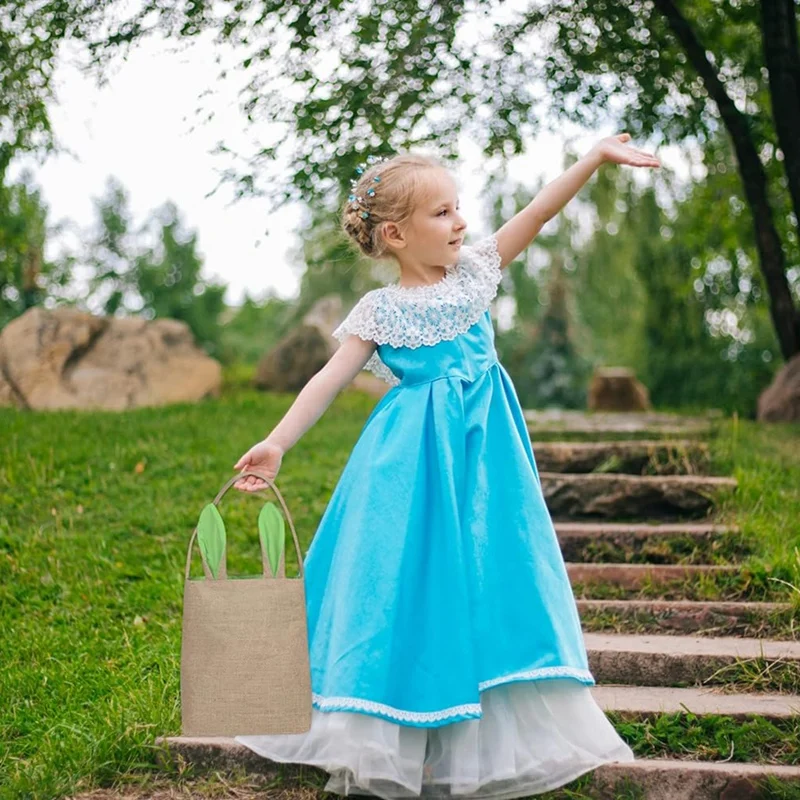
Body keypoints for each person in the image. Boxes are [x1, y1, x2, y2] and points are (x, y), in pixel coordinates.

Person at [231, 137, 660, 798]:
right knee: (402, 577)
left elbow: (539, 214)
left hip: (485, 461)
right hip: (406, 466)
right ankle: (392, 719)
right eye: (442, 213)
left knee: (493, 571)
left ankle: (481, 717)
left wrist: (594, 159)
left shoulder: (477, 271)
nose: (460, 221)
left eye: (458, 208)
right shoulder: (380, 312)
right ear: (397, 235)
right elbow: (326, 379)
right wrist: (278, 442)